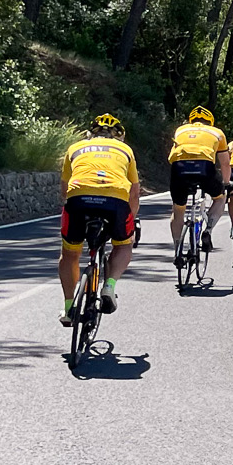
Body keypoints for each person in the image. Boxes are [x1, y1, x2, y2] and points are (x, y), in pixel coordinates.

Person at [58, 114, 141, 324]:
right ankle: (109, 286)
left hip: (79, 199)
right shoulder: (126, 150)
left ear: (91, 133)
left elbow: (64, 190)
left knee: (69, 253)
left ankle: (69, 309)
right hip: (115, 200)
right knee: (124, 245)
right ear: (119, 136)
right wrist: (131, 218)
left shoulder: (74, 148)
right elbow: (134, 193)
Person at [166, 105, 229, 253]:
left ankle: (177, 249)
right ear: (210, 121)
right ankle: (208, 230)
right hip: (205, 167)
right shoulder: (217, 132)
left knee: (178, 209)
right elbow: (225, 163)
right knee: (220, 198)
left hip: (179, 167)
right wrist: (226, 183)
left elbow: (171, 156)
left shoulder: (180, 130)